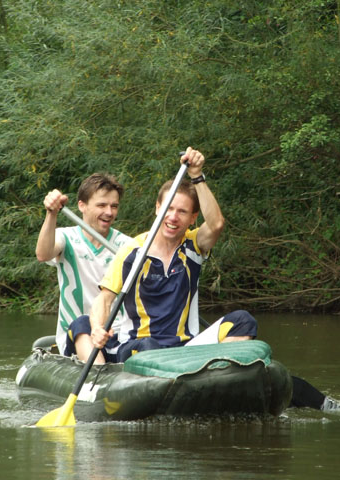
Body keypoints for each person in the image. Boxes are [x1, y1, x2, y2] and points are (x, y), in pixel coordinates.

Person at [89, 147, 257, 362]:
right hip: (139, 345)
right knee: (150, 346)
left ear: (193, 217)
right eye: (169, 208)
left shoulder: (193, 246)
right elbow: (105, 299)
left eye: (182, 211)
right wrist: (97, 328)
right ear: (158, 208)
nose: (173, 217)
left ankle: (217, 374)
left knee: (243, 321)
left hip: (184, 349)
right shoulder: (132, 252)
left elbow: (216, 224)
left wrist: (196, 176)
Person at [35, 173, 131, 363]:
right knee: (83, 323)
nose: (109, 212)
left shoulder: (126, 245)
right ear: (82, 206)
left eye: (114, 206)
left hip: (117, 336)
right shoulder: (66, 238)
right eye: (102, 205)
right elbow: (43, 254)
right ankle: (96, 377)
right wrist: (51, 213)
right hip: (77, 335)